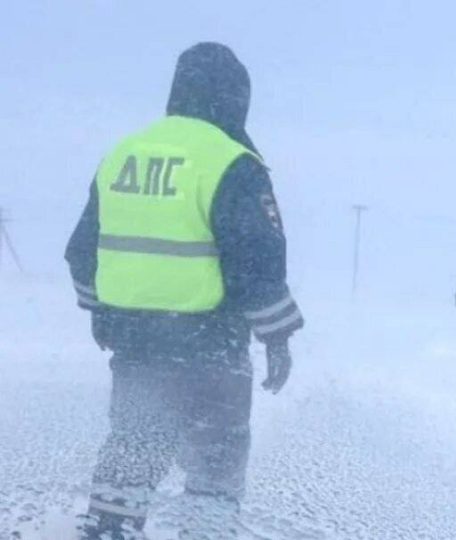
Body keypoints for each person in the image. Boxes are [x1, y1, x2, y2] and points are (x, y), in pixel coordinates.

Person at [65, 42, 304, 539]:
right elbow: (256, 261)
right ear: (236, 99)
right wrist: (277, 336)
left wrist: (99, 313)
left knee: (130, 450)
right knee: (215, 462)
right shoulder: (232, 161)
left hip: (133, 344)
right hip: (210, 346)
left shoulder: (122, 155)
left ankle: (107, 531)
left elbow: (82, 252)